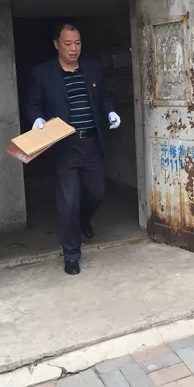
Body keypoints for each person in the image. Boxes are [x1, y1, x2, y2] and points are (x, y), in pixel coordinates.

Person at [26, 22, 121, 275]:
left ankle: (81, 220)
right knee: (68, 201)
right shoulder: (42, 73)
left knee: (96, 193)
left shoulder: (92, 69)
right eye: (67, 44)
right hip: (65, 147)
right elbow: (33, 103)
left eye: (77, 43)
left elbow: (103, 97)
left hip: (91, 143)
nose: (73, 48)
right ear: (56, 44)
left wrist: (110, 112)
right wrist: (37, 119)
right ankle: (71, 254)